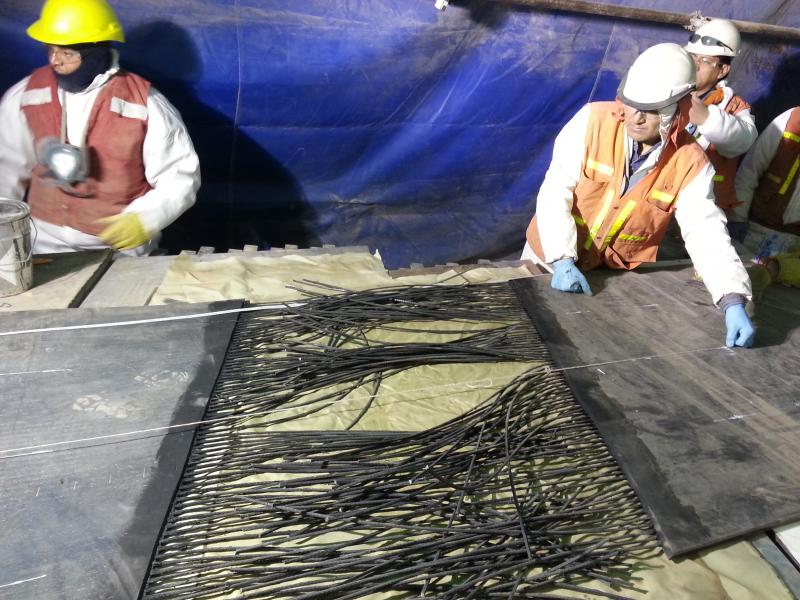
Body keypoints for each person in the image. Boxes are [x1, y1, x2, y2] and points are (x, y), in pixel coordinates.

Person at [521, 43, 755, 348]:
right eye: (631, 103)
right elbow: (555, 189)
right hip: (546, 261)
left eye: (651, 110)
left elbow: (705, 231)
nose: (635, 118)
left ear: (679, 108)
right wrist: (561, 258)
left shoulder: (690, 162)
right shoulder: (592, 121)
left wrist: (732, 297)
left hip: (606, 276)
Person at [0, 0, 200, 255]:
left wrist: (145, 219)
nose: (56, 61)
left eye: (67, 53)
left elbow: (180, 175)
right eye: (51, 50)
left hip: (118, 250)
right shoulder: (27, 94)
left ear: (96, 52)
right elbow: (5, 169)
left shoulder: (145, 103)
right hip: (41, 246)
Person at [684, 18, 757, 235]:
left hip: (702, 209)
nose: (694, 65)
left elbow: (742, 140)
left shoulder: (733, 107)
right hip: (655, 201)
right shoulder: (664, 91)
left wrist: (707, 119)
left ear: (723, 69)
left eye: (705, 60)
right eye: (691, 57)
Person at [731, 106, 800, 298]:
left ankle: (773, 269)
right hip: (752, 232)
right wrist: (737, 217)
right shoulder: (792, 120)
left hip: (794, 249)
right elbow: (750, 170)